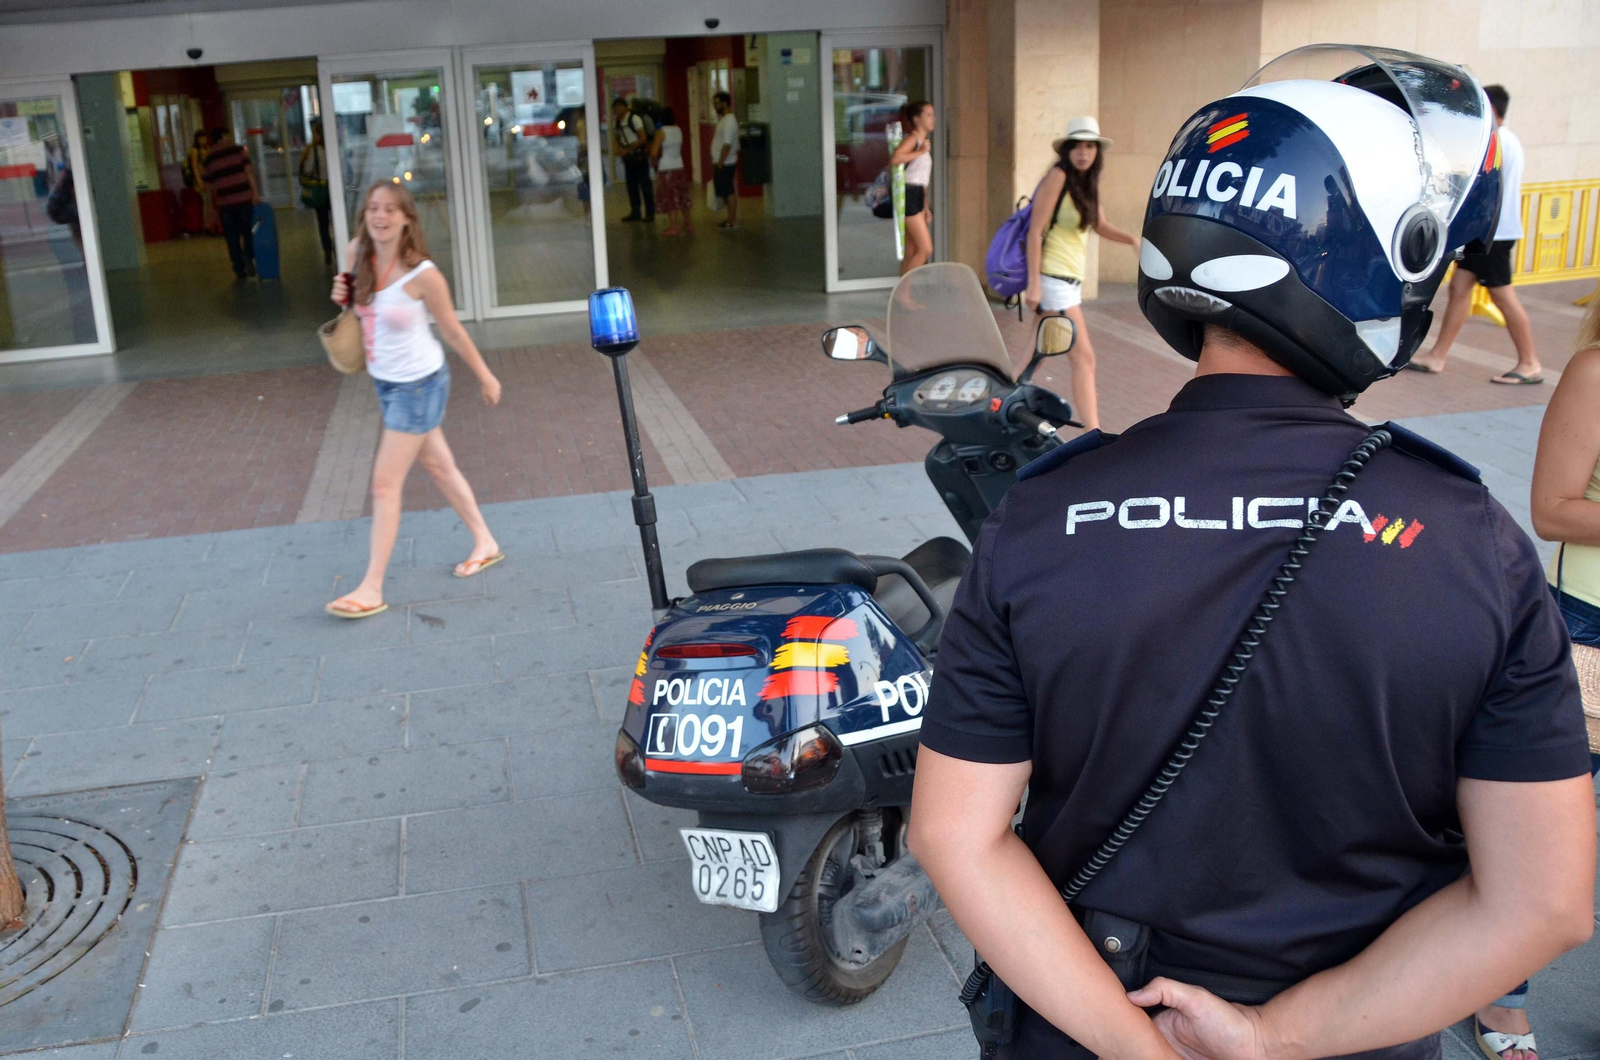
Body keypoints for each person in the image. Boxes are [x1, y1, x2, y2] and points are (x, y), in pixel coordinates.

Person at [909, 48, 1595, 1060]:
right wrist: (1272, 1035)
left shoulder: (1040, 516)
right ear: (1385, 258)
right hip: (1355, 1034)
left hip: (1083, 1025)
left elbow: (952, 834)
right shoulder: (1471, 541)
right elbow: (1543, 903)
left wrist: (1136, 1046)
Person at [325, 181, 504, 619]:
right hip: (385, 383)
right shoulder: (356, 253)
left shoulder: (423, 275)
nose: (380, 216)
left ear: (407, 218)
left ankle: (371, 588)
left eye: (390, 209)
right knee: (439, 466)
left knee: (384, 484)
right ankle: (485, 541)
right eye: (373, 208)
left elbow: (453, 331)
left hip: (420, 386)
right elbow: (354, 308)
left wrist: (485, 376)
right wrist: (342, 296)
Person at [1511, 296, 1600, 1060]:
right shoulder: (1596, 372)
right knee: (1539, 830)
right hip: (1590, 623)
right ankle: (1501, 997)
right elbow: (1551, 509)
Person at [1408, 85, 1542, 384]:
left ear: (1491, 110)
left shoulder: (1499, 140)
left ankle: (1530, 362)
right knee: (1459, 288)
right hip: (1486, 230)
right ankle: (1437, 356)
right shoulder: (1504, 139)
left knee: (1502, 295)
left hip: (1493, 232)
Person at [1022, 117, 1139, 433]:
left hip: (1069, 283)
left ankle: (997, 409)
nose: (1084, 153)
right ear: (1067, 150)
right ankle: (1093, 434)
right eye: (1077, 146)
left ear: (1097, 152)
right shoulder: (1058, 177)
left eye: (1090, 146)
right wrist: (1033, 285)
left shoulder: (1087, 183)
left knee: (1034, 357)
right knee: (1084, 358)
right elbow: (1035, 232)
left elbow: (1100, 225)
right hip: (1054, 280)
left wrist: (1132, 240)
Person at [202, 126, 260, 280]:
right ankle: (248, 254)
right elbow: (249, 172)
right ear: (223, 135)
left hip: (225, 205)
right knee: (249, 231)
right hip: (243, 199)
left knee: (231, 236)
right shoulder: (238, 150)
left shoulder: (209, 158)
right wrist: (255, 193)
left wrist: (211, 209)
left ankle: (238, 267)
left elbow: (208, 188)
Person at [887, 100, 936, 275]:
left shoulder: (921, 141)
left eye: (933, 115)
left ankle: (905, 290)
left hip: (917, 195)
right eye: (928, 115)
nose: (933, 119)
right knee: (925, 249)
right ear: (917, 119)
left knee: (912, 249)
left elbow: (922, 179)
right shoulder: (913, 139)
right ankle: (904, 289)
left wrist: (926, 207)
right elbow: (896, 158)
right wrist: (920, 151)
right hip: (908, 194)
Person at [611, 98, 654, 223]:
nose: (617, 110)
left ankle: (650, 212)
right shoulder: (617, 122)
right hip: (628, 158)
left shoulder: (634, 119)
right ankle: (636, 211)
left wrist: (628, 150)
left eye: (620, 107)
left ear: (625, 107)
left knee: (645, 185)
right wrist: (617, 149)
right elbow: (617, 137)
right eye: (615, 108)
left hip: (639, 155)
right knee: (631, 186)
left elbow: (643, 138)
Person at [650, 107, 692, 235]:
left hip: (666, 167)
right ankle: (688, 223)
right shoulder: (678, 130)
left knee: (671, 197)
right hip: (679, 166)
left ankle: (673, 226)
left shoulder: (661, 132)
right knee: (683, 195)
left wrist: (654, 165)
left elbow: (654, 152)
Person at [298, 123, 333, 265]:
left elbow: (307, 169)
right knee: (335, 219)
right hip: (333, 188)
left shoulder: (314, 150)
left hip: (320, 189)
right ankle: (339, 245)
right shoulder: (332, 147)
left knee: (323, 222)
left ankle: (327, 249)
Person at [710, 91, 740, 229]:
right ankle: (730, 219)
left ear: (725, 103)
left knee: (729, 192)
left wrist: (721, 161)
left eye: (717, 103)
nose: (715, 106)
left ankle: (732, 221)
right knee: (726, 191)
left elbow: (727, 144)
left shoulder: (729, 121)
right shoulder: (724, 119)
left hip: (726, 163)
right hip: (723, 162)